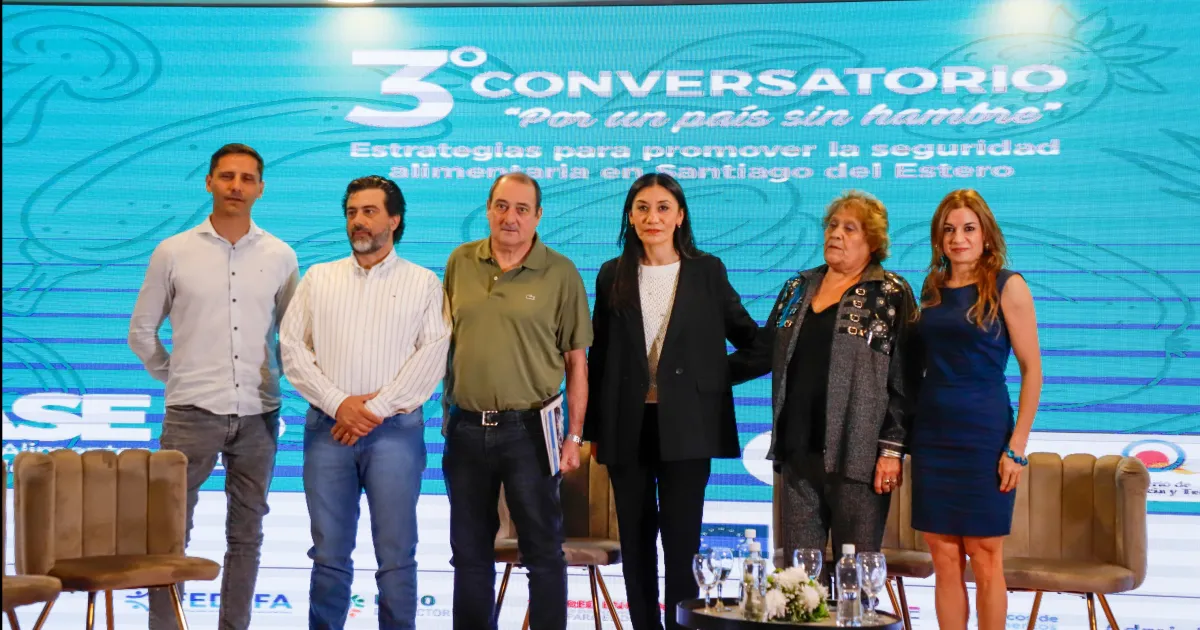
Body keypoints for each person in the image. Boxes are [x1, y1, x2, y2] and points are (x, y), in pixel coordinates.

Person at [128, 143, 299, 630]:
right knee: (168, 535)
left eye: (247, 179)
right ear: (209, 182)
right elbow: (141, 331)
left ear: (261, 188)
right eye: (227, 176)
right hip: (190, 415)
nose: (236, 187)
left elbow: (293, 337)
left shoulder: (281, 255)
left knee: (247, 536)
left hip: (259, 415)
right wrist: (177, 375)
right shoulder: (173, 251)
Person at [584, 174, 760, 630]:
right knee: (636, 544)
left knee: (682, 544)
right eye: (642, 207)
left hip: (688, 427)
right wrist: (593, 431)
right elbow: (599, 358)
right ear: (630, 216)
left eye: (663, 207)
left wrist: (710, 380)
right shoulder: (611, 274)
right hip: (626, 427)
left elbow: (753, 341)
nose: (653, 217)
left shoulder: (707, 271)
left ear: (680, 216)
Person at [280, 176, 450, 630]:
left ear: (394, 220)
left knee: (396, 554)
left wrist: (373, 410)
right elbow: (292, 348)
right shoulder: (319, 278)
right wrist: (340, 404)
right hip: (329, 430)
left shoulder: (423, 282)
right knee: (328, 553)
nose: (358, 220)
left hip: (395, 433)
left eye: (370, 211)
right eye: (352, 212)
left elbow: (432, 356)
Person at [732, 190, 919, 569]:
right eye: (833, 225)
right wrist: (698, 377)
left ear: (872, 241)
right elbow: (763, 353)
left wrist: (891, 450)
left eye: (850, 228)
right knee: (799, 579)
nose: (836, 234)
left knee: (856, 573)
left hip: (859, 457)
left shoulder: (890, 292)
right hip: (797, 451)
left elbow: (907, 378)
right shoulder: (797, 287)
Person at [441, 173, 592, 630]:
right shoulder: (460, 262)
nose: (511, 217)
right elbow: (442, 343)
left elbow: (577, 363)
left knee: (543, 552)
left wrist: (574, 437)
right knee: (469, 554)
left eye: (522, 209)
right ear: (488, 209)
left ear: (538, 216)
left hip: (530, 431)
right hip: (466, 429)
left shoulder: (561, 272)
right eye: (502, 206)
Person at [910, 189, 1041, 630]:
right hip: (933, 433)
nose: (958, 238)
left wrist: (1017, 447)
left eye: (968, 228)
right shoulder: (931, 289)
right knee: (943, 554)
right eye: (949, 230)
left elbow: (1032, 371)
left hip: (984, 432)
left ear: (986, 235)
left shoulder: (1008, 284)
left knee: (985, 555)